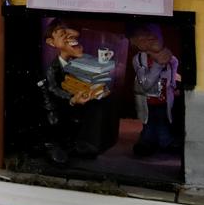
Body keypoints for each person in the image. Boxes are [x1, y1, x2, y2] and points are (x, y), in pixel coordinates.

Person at [39, 20, 110, 167]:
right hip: (57, 106)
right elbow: (53, 89)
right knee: (57, 121)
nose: (70, 37)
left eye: (70, 33)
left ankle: (71, 144)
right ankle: (53, 145)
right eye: (63, 34)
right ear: (52, 43)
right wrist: (71, 99)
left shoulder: (78, 62)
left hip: (74, 105)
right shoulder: (53, 68)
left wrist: (97, 89)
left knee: (77, 120)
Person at [127, 22, 179, 157]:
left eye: (153, 36)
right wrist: (157, 64)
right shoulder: (139, 59)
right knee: (149, 123)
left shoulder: (170, 58)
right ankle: (148, 143)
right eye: (143, 38)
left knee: (163, 122)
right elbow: (145, 84)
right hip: (148, 100)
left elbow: (173, 74)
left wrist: (174, 86)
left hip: (164, 99)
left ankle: (164, 142)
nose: (150, 39)